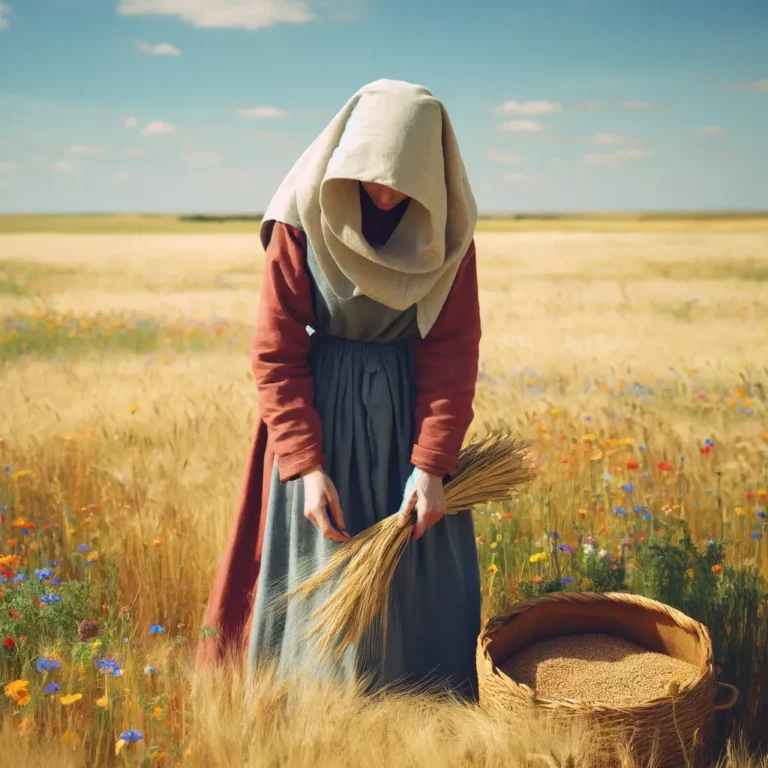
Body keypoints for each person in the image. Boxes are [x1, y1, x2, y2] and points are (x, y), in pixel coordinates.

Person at [196, 78, 482, 699]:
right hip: (319, 415)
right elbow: (276, 350)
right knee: (317, 568)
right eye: (371, 174)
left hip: (409, 421)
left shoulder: (450, 235)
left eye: (403, 180)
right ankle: (306, 706)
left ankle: (421, 711)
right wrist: (302, 465)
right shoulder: (299, 221)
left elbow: (452, 352)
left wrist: (432, 465)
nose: (384, 192)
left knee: (415, 575)